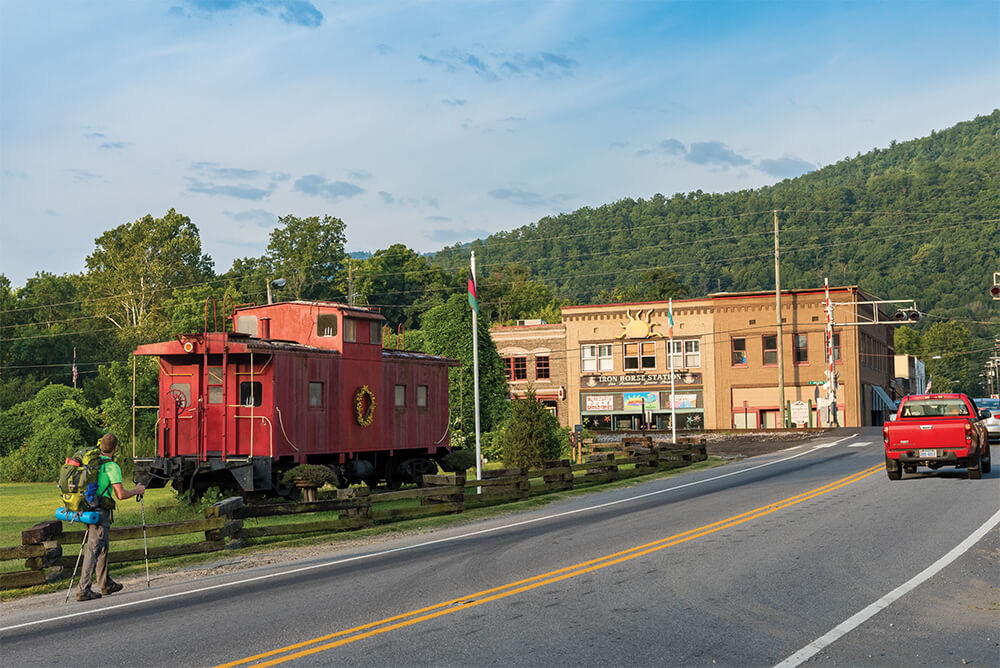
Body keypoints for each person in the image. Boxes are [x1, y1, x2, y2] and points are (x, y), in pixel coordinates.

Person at [76, 433, 146, 601]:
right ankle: (83, 589)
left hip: (87, 509)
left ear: (101, 446)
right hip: (100, 511)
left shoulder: (92, 463)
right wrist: (137, 491)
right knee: (93, 549)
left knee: (102, 546)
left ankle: (105, 583)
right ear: (115, 448)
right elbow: (120, 494)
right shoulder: (112, 467)